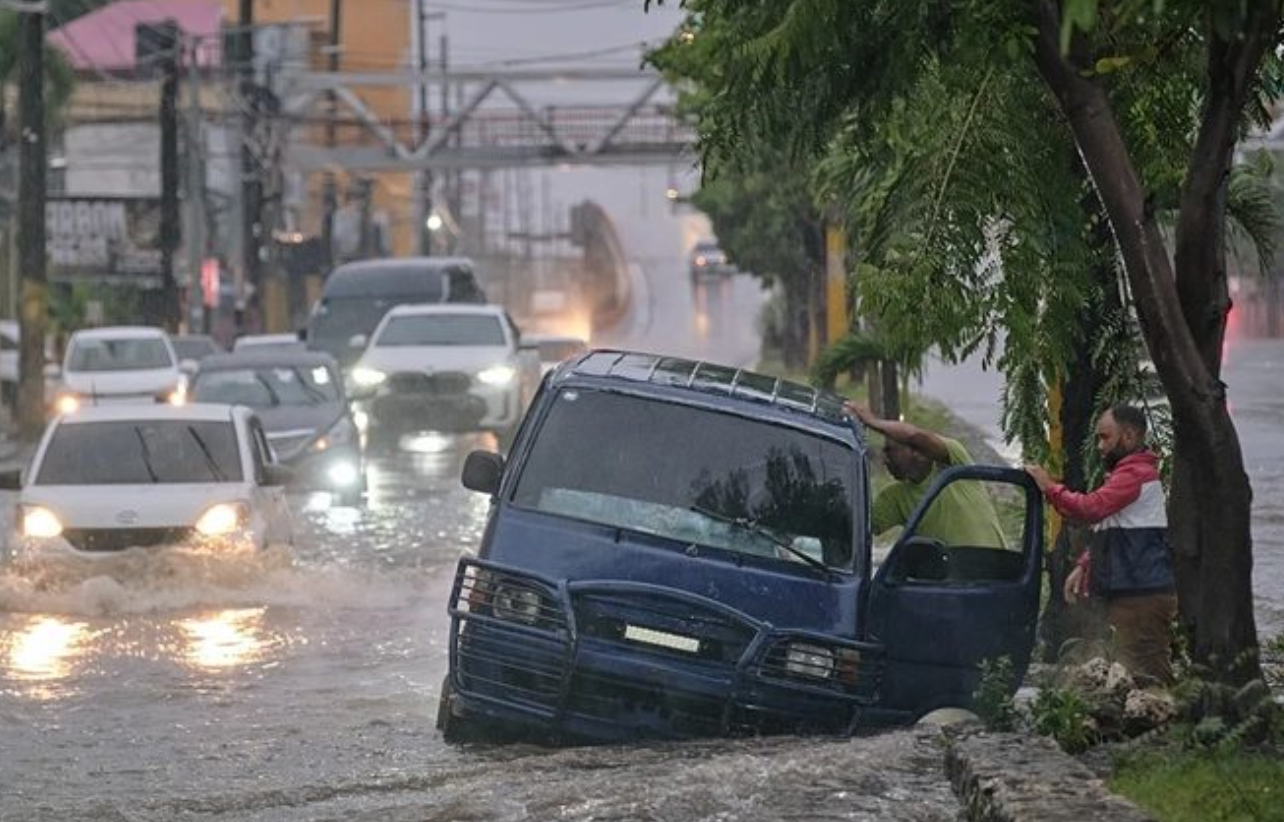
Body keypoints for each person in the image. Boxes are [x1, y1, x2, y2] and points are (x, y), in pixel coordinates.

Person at [1024, 403, 1177, 685]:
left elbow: (1090, 509)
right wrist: (1084, 565)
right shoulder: (1127, 474)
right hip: (1133, 593)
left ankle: (1171, 724)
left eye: (1105, 437)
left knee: (1148, 675)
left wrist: (1049, 487)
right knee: (1130, 673)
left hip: (1140, 595)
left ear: (1129, 436)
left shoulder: (1135, 475)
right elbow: (1113, 527)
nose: (1099, 445)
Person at [846, 402, 1006, 548]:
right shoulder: (895, 498)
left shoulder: (954, 462)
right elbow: (856, 527)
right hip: (951, 578)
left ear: (916, 451)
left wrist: (873, 422)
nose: (884, 460)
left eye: (890, 451)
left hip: (995, 572)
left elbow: (915, 436)